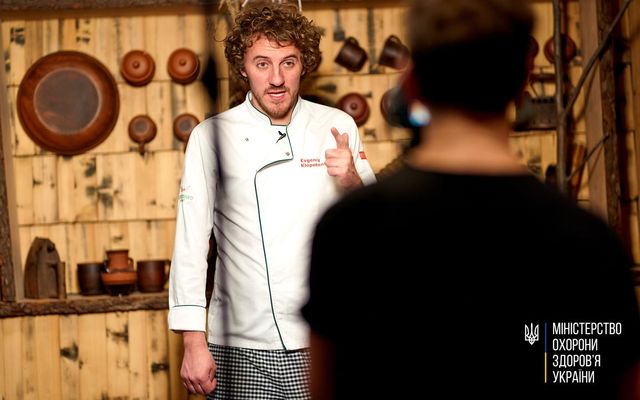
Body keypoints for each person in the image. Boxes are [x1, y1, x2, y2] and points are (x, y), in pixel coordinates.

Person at [302, 0, 640, 399]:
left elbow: (326, 389)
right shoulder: (587, 241)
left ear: (411, 84)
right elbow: (599, 380)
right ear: (523, 81)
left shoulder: (349, 228)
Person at [168, 3, 376, 399]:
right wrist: (193, 342)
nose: (277, 78)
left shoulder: (337, 125)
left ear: (304, 64)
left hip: (323, 336)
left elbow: (375, 230)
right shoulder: (210, 137)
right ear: (243, 67)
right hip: (239, 343)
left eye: (288, 63)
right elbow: (191, 243)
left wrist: (352, 179)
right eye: (262, 64)